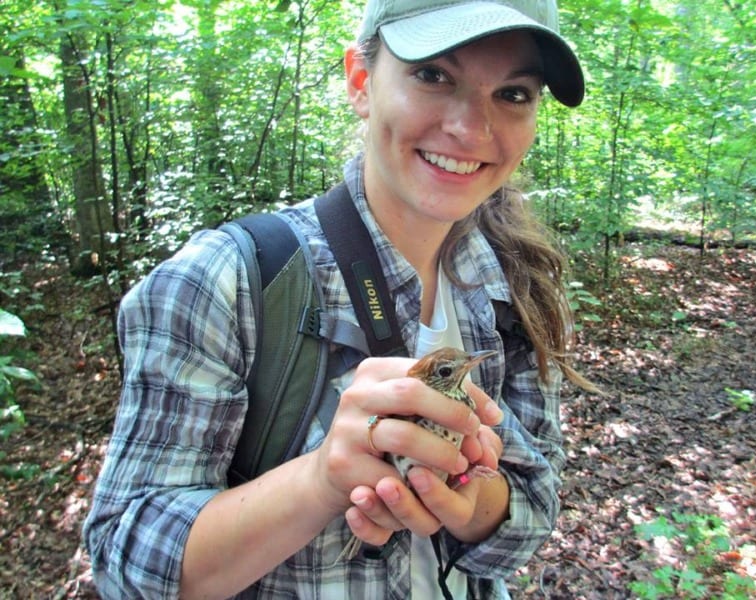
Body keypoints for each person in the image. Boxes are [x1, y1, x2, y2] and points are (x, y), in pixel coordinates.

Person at [83, 0, 587, 598]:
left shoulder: (514, 286)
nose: (472, 129)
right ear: (361, 82)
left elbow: (533, 511)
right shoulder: (227, 282)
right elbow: (124, 561)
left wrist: (471, 497)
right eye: (434, 75)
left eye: (513, 94)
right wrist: (321, 480)